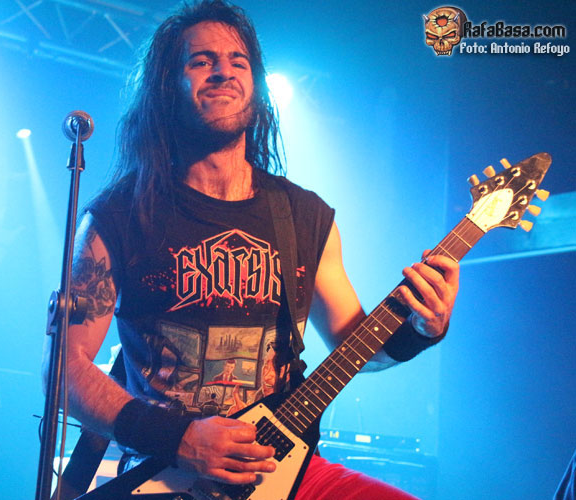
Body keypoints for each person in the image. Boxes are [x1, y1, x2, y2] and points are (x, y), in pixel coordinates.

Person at [43, 1, 459, 498]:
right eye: (202, 61)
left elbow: (359, 349)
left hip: (284, 470)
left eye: (238, 61)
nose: (223, 71)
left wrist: (420, 330)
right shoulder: (120, 215)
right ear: (167, 87)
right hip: (167, 476)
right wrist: (180, 440)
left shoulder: (304, 216)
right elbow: (64, 369)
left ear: (255, 87)